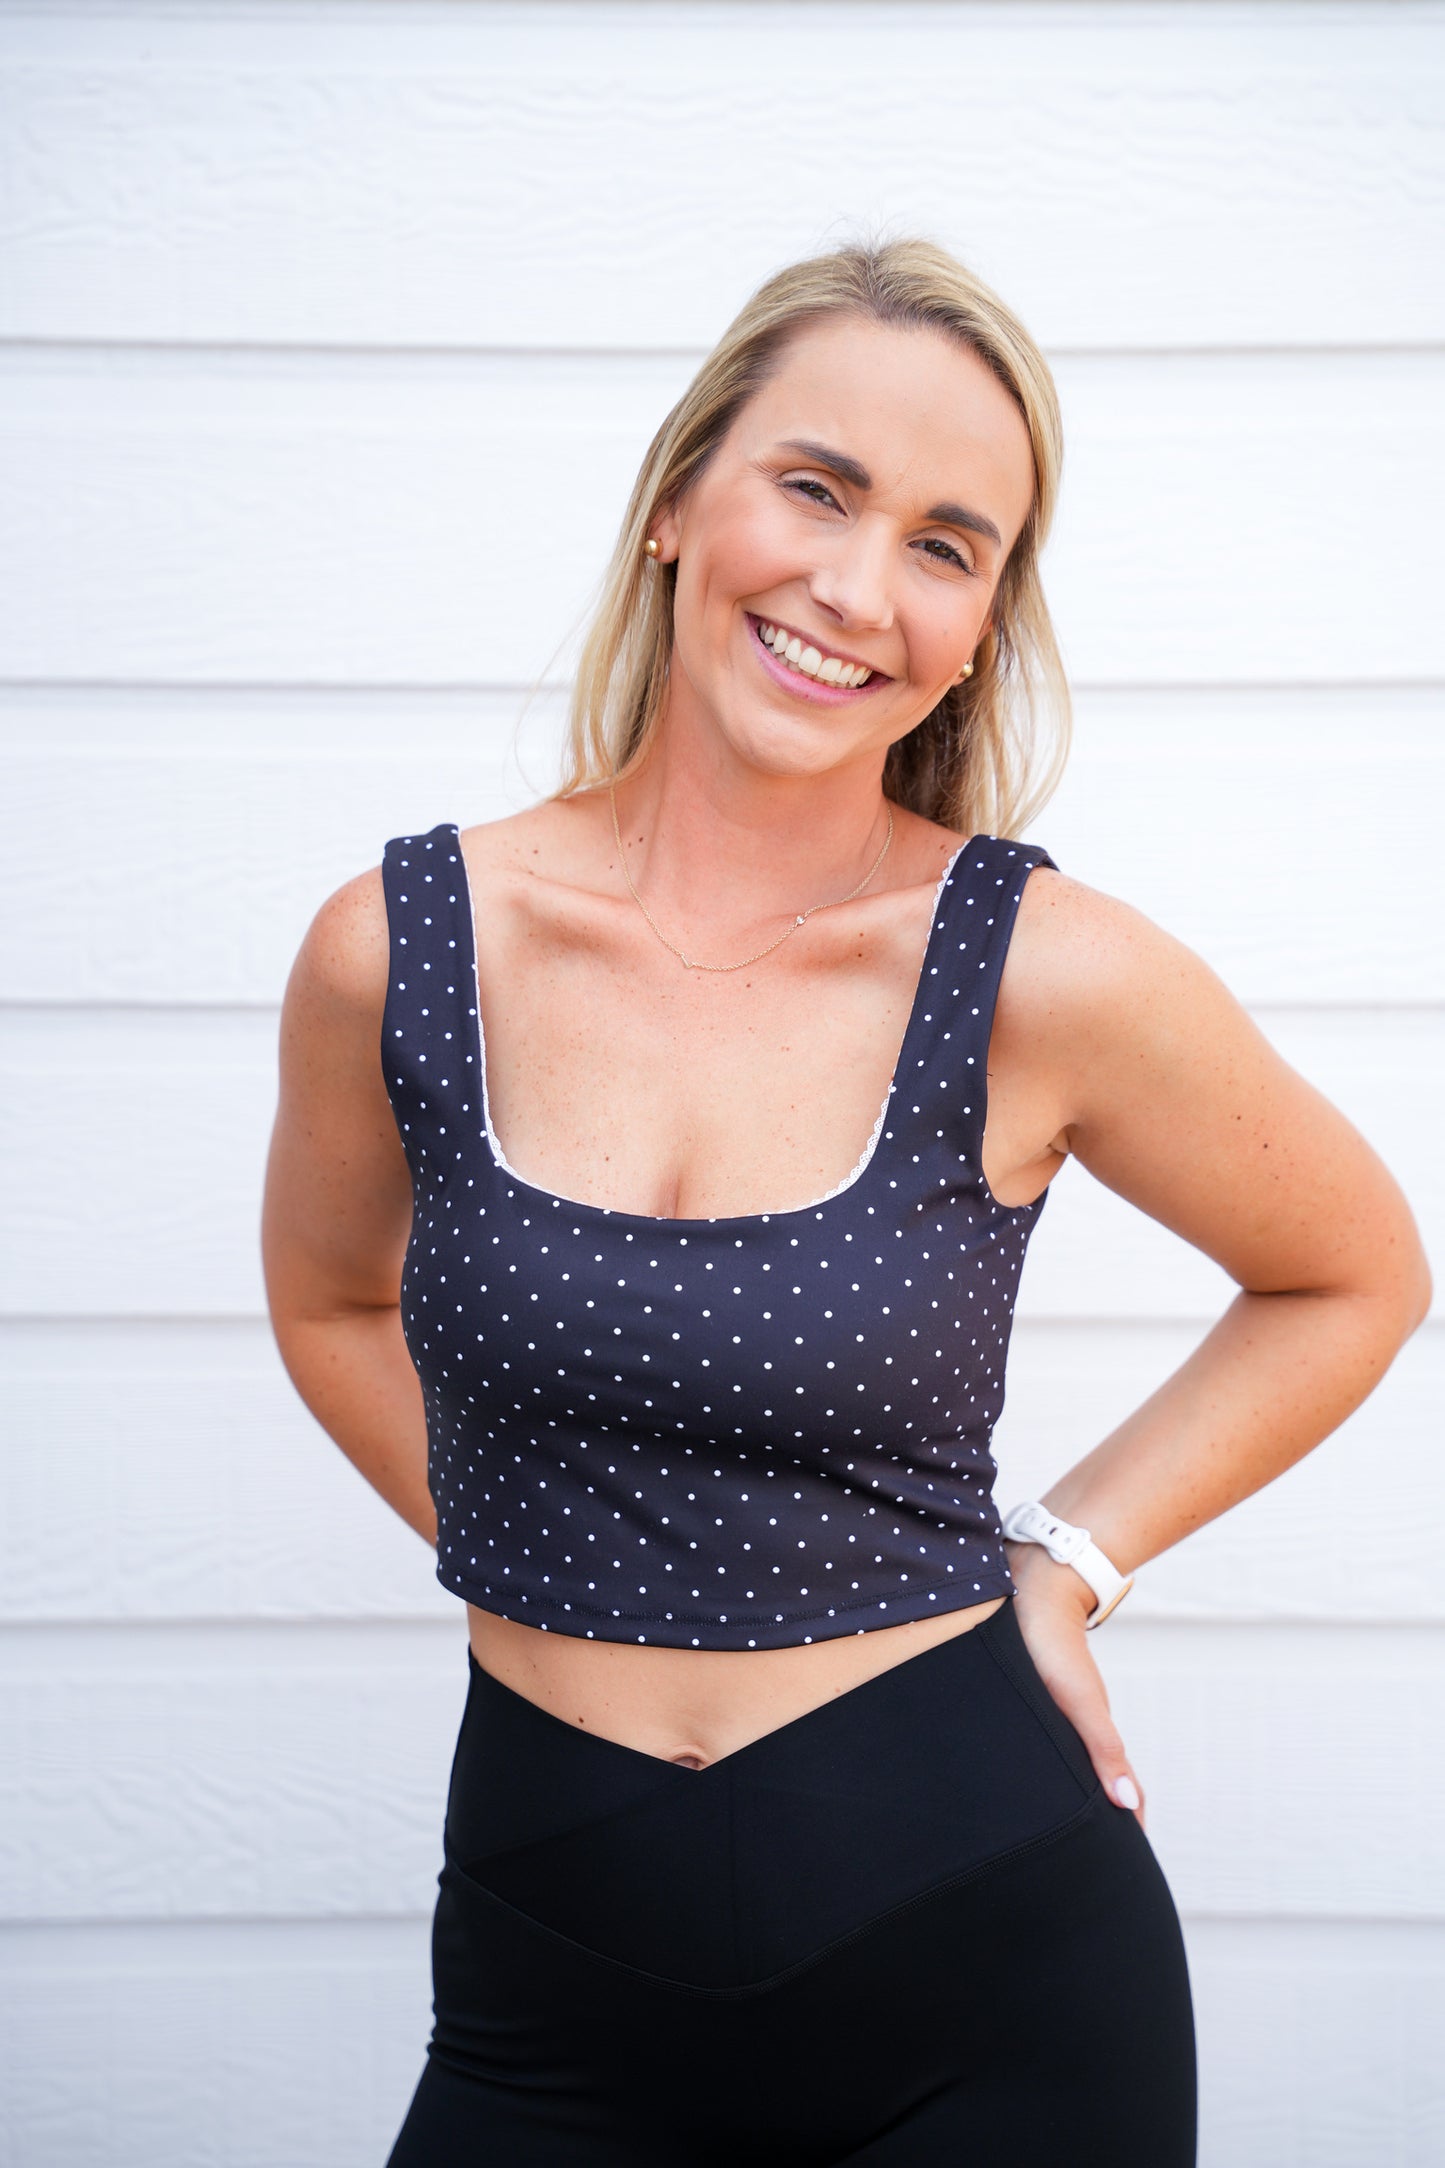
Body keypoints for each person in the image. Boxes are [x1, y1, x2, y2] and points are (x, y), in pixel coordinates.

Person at [261, 238, 1431, 2166]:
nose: (852, 588)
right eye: (813, 487)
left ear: (979, 623)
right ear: (672, 502)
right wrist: (557, 1542)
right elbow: (328, 1303)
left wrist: (1070, 1559)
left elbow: (1353, 1275)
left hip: (984, 1963)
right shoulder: (398, 950)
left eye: (944, 544)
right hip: (551, 1972)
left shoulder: (1046, 972)